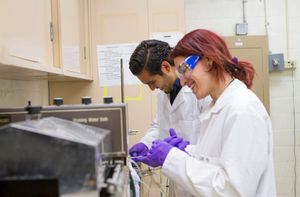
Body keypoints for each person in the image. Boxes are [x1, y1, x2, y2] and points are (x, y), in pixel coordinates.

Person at [136, 29, 276, 197]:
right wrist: (188, 150)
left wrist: (173, 158)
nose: (182, 81)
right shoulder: (217, 106)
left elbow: (233, 190)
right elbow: (217, 160)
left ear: (208, 61)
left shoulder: (242, 110)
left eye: (184, 70)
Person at [128, 39, 211, 196]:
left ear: (166, 67)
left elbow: (213, 145)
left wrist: (184, 151)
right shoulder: (163, 94)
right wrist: (145, 143)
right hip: (177, 182)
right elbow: (159, 124)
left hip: (199, 182)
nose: (152, 88)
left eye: (152, 82)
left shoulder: (199, 93)